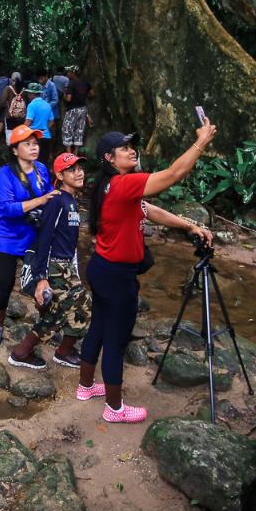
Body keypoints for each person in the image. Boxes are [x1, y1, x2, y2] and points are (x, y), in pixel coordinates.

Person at [79, 126, 216, 423]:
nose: (132, 151)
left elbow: (150, 210)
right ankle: (114, 409)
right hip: (117, 277)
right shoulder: (123, 183)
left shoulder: (107, 186)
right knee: (115, 341)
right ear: (109, 157)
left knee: (99, 328)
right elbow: (172, 175)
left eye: (132, 146)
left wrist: (188, 225)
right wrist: (201, 142)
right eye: (125, 148)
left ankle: (86, 386)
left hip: (101, 269)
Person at [8, 152, 91, 370]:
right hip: (53, 267)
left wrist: (75, 270)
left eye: (80, 168)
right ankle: (21, 353)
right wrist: (41, 278)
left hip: (66, 267)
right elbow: (44, 238)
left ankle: (64, 351)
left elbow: (70, 243)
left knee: (83, 306)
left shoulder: (72, 201)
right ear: (60, 175)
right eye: (72, 169)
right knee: (58, 312)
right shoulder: (56, 201)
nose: (79, 172)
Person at [0, 125, 60, 346]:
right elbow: (7, 208)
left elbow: (50, 197)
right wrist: (39, 201)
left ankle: (46, 324)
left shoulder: (40, 169)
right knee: (6, 282)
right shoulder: (6, 174)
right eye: (27, 144)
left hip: (32, 235)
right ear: (14, 149)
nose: (33, 147)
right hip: (6, 238)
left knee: (42, 281)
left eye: (35, 143)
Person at [62, 67, 93, 153]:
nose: (67, 74)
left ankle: (69, 154)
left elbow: (68, 99)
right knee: (79, 131)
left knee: (67, 130)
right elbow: (92, 94)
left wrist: (64, 95)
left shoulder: (71, 83)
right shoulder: (85, 82)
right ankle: (76, 152)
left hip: (72, 110)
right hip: (83, 109)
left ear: (73, 73)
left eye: (68, 72)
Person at [24, 82, 55, 163]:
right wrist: (45, 128)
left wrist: (22, 132)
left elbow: (28, 122)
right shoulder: (47, 105)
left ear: (32, 94)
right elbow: (52, 121)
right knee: (44, 162)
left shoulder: (32, 105)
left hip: (34, 138)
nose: (28, 95)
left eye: (29, 93)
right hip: (46, 136)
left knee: (33, 162)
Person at [0, 72, 27, 144]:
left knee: (10, 134)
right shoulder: (24, 90)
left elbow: (2, 101)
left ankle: (11, 150)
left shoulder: (8, 88)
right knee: (20, 135)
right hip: (22, 117)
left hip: (10, 116)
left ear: (11, 79)